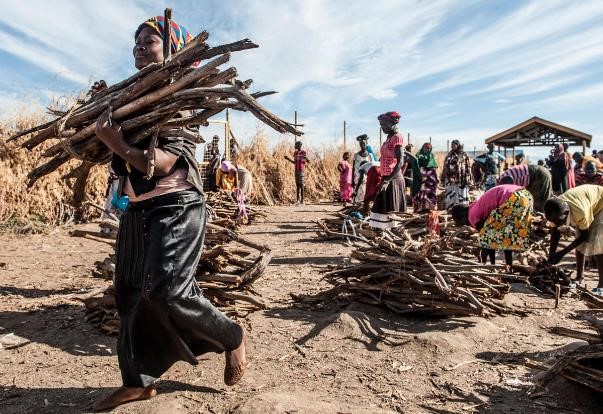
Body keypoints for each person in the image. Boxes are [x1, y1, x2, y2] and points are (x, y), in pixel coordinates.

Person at [92, 16, 246, 411]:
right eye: (137, 42)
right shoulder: (131, 101)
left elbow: (162, 162)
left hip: (176, 206)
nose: (140, 46)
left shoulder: (180, 99)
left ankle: (232, 336)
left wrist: (116, 142)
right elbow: (121, 163)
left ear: (173, 49)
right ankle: (137, 382)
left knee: (168, 291)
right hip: (136, 211)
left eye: (151, 40)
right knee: (128, 294)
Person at [449, 184, 533, 266]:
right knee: (509, 234)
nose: (465, 225)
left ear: (462, 217)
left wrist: (482, 255)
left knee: (488, 239)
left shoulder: (472, 216)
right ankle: (509, 265)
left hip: (513, 199)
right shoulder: (475, 206)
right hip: (525, 195)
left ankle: (489, 265)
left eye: (461, 223)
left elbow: (487, 241)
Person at [544, 185, 603, 292]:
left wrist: (561, 253)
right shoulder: (555, 208)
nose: (556, 224)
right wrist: (551, 257)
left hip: (601, 203)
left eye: (558, 221)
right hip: (586, 200)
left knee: (597, 242)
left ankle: (602, 285)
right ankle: (579, 277)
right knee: (579, 241)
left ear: (566, 213)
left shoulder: (580, 212)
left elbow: (585, 236)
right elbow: (555, 234)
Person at [369, 111, 406, 229]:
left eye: (384, 125)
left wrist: (388, 180)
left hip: (393, 179)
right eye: (381, 125)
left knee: (391, 210)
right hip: (386, 177)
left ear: (393, 123)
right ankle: (383, 232)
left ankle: (394, 233)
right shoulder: (388, 139)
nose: (382, 128)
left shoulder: (397, 138)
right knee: (381, 206)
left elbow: (400, 161)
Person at [442, 139, 472, 209]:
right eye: (451, 145)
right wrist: (444, 176)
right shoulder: (449, 154)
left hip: (461, 178)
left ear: (457, 145)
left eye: (454, 144)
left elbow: (468, 166)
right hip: (450, 178)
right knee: (451, 193)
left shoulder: (464, 154)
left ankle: (462, 209)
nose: (452, 146)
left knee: (461, 193)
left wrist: (468, 177)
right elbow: (445, 165)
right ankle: (451, 209)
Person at [412, 143, 439, 212]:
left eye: (429, 148)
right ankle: (420, 209)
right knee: (421, 193)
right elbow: (414, 164)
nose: (427, 149)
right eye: (426, 148)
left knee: (429, 194)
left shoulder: (431, 156)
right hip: (421, 180)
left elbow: (435, 167)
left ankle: (429, 209)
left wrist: (437, 178)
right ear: (423, 148)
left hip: (430, 181)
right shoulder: (418, 156)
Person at [352, 134, 376, 203]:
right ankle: (357, 207)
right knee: (357, 195)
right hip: (357, 179)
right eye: (361, 144)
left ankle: (365, 209)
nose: (362, 145)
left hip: (367, 180)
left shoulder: (370, 156)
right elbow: (353, 168)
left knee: (366, 196)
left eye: (364, 143)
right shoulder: (356, 155)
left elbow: (373, 168)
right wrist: (352, 180)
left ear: (366, 144)